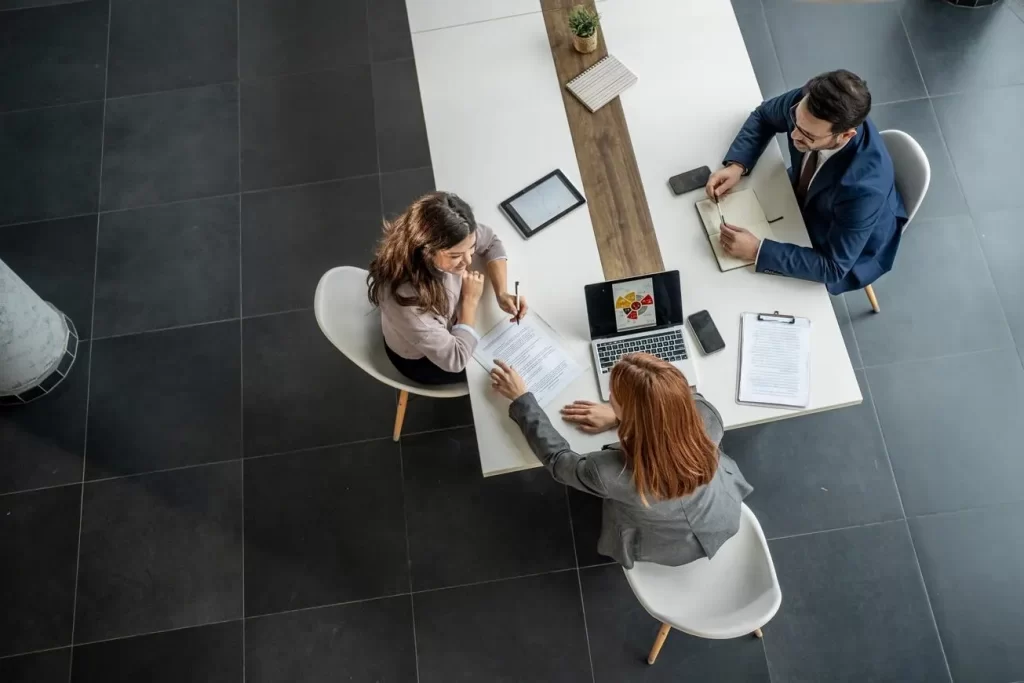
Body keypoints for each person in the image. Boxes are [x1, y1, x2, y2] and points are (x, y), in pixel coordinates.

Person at [489, 353, 752, 568]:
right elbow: (670, 408)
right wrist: (619, 418)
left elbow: (559, 461)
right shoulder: (707, 416)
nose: (610, 397)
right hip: (721, 515)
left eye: (614, 398)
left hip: (663, 545)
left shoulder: (607, 472)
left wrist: (523, 400)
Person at [707, 69, 907, 295]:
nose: (793, 136)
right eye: (796, 122)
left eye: (808, 136)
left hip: (842, 240)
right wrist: (737, 165)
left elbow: (833, 267)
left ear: (845, 135)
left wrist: (757, 250)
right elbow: (764, 116)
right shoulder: (807, 105)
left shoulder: (864, 190)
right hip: (806, 195)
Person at [368, 192, 527, 385]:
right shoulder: (408, 304)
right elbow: (457, 359)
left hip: (437, 327)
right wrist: (469, 302)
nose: (468, 261)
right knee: (507, 371)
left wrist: (501, 292)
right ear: (426, 250)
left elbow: (491, 241)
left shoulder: (451, 234)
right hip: (420, 360)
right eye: (455, 256)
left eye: (471, 249)